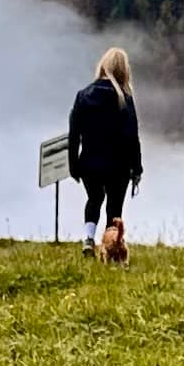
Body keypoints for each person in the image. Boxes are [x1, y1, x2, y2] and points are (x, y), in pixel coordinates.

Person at [66, 46, 143, 254]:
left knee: (94, 199)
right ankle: (111, 247)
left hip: (89, 162)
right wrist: (137, 168)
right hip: (118, 165)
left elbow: (74, 134)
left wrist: (73, 166)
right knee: (114, 207)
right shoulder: (124, 99)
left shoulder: (83, 96)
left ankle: (88, 238)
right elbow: (132, 137)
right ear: (124, 71)